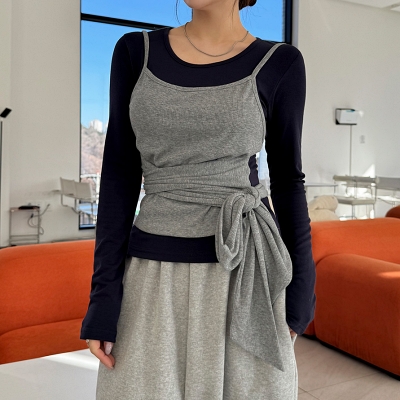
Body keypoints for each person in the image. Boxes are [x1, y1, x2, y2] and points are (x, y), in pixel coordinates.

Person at [80, 0, 316, 398]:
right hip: (151, 276)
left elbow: (288, 182)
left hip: (245, 275)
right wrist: (103, 297)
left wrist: (302, 291)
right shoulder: (135, 52)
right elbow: (119, 176)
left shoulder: (280, 63)